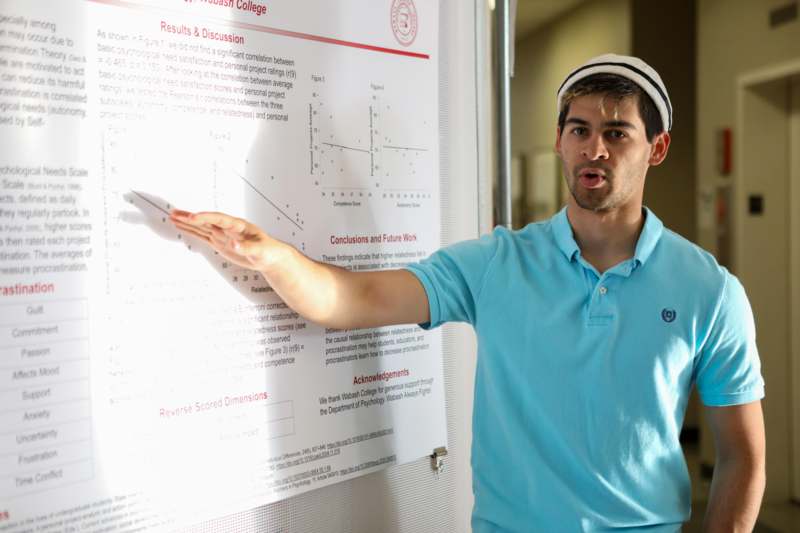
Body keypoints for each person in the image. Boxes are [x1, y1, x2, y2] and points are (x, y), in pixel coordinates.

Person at [170, 54, 765, 532]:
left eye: (617, 132)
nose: (595, 149)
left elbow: (741, 454)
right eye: (579, 130)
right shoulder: (497, 263)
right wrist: (270, 253)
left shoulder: (709, 290)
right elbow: (358, 299)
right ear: (559, 141)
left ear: (656, 149)